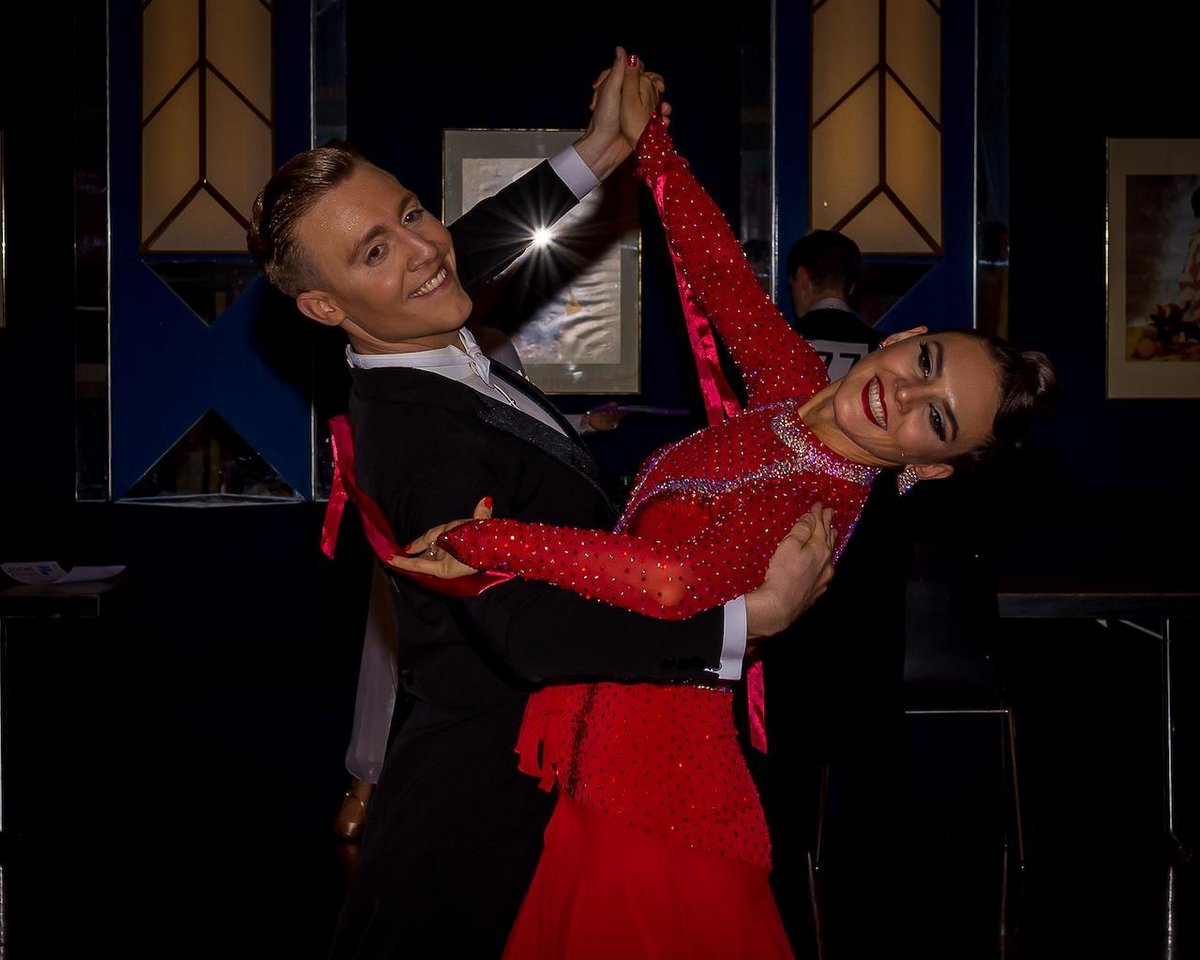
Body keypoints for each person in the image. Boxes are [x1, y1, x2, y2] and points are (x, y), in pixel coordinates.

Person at [394, 105, 1059, 959]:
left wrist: (490, 542)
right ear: (904, 336)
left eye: (937, 421)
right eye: (923, 366)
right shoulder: (791, 389)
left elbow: (670, 581)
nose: (903, 394)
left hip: (654, 806)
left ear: (931, 469)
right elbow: (716, 268)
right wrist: (653, 140)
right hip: (606, 768)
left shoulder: (817, 510)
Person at [248, 49, 838, 960]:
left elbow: (470, 241)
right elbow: (521, 630)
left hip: (558, 755)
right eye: (375, 250)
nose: (423, 248)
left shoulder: (415, 323)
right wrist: (742, 623)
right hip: (496, 796)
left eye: (411, 212)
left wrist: (601, 149)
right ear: (325, 308)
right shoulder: (425, 449)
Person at [331, 332, 626, 842]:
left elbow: (520, 423)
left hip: (499, 542)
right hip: (431, 530)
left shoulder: (491, 348)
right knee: (386, 656)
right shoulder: (396, 385)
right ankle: (364, 782)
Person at [757, 229, 913, 951]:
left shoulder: (779, 358)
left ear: (798, 279)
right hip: (873, 587)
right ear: (850, 284)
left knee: (784, 749)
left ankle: (786, 891)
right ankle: (875, 902)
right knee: (870, 748)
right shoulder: (891, 367)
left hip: (791, 582)